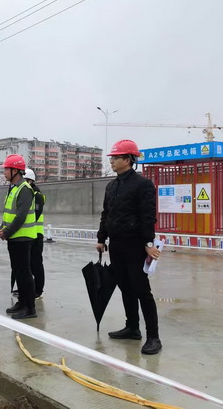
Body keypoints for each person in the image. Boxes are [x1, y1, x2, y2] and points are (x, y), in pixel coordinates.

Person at [96, 139, 162, 355]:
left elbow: (148, 216)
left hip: (135, 245)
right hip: (116, 245)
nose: (112, 161)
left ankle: (153, 337)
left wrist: (148, 243)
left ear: (128, 159)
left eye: (115, 158)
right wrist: (101, 238)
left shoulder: (143, 185)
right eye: (112, 158)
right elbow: (106, 214)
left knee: (141, 289)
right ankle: (132, 327)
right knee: (125, 287)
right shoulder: (111, 186)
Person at [0, 154, 37, 320]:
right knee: (18, 272)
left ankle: (30, 308)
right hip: (14, 238)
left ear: (15, 171)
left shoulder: (24, 189)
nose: (4, 172)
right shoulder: (14, 188)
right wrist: (3, 228)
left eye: (6, 169)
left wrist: (7, 232)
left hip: (22, 238)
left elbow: (20, 216)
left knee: (24, 273)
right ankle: (22, 302)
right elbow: (9, 213)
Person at [23, 168, 46, 299]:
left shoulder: (36, 195)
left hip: (36, 234)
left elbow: (36, 214)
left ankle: (38, 289)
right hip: (29, 233)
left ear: (30, 181)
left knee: (36, 263)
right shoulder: (28, 193)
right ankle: (29, 287)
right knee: (28, 263)